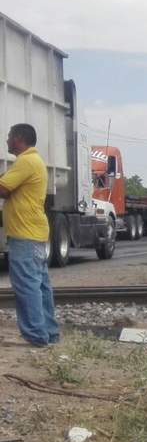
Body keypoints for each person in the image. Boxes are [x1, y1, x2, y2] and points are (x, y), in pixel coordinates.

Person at [0, 124, 59, 347]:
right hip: (34, 232)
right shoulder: (33, 161)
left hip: (25, 234)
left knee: (26, 285)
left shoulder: (26, 161)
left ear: (18, 139)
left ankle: (36, 335)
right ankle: (49, 333)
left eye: (8, 137)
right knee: (40, 285)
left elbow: (3, 189)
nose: (6, 140)